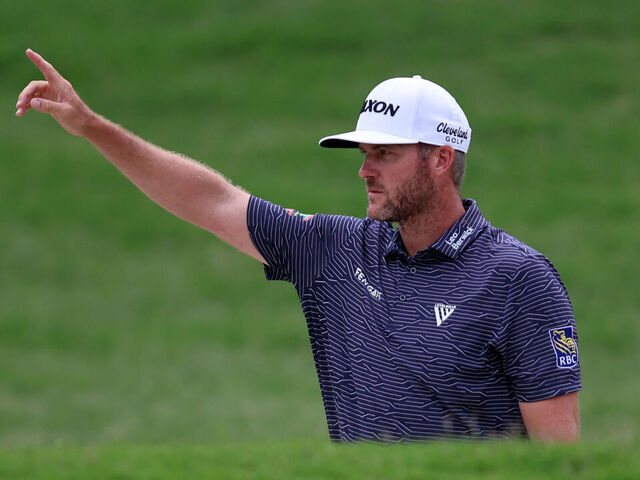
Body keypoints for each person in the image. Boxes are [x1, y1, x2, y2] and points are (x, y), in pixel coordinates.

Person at [16, 49, 581, 443]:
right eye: (362, 153)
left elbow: (560, 460)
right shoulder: (334, 249)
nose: (364, 170)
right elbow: (213, 201)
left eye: (384, 154)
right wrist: (92, 126)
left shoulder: (517, 279)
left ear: (440, 160)